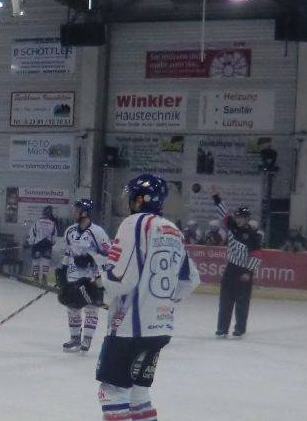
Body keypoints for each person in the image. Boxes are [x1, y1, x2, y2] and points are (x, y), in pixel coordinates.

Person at [97, 174, 198, 421]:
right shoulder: (173, 230)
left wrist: (96, 285)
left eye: (131, 197)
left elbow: (122, 278)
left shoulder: (135, 223)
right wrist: (161, 303)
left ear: (140, 199)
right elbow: (190, 279)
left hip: (130, 329)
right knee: (138, 394)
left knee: (112, 392)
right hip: (160, 327)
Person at [56, 199, 108, 353]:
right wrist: (62, 268)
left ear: (84, 212)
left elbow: (109, 255)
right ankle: (74, 338)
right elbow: (68, 251)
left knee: (92, 307)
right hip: (74, 275)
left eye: (77, 209)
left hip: (93, 277)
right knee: (72, 306)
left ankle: (87, 338)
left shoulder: (98, 232)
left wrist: (92, 259)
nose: (74, 212)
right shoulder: (70, 231)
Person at [213, 196, 259, 339]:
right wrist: (215, 196)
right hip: (231, 269)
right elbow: (223, 212)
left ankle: (239, 329)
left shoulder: (252, 236)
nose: (238, 219)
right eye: (237, 217)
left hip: (244, 272)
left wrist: (248, 271)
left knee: (242, 302)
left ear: (247, 219)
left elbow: (257, 256)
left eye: (241, 217)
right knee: (225, 300)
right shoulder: (232, 225)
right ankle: (222, 329)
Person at [27, 205, 58, 285]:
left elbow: (32, 233)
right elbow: (54, 236)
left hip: (37, 244)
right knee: (46, 261)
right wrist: (52, 243)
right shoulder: (52, 223)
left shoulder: (37, 222)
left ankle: (35, 276)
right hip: (47, 244)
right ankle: (44, 276)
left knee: (35, 261)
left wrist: (31, 242)